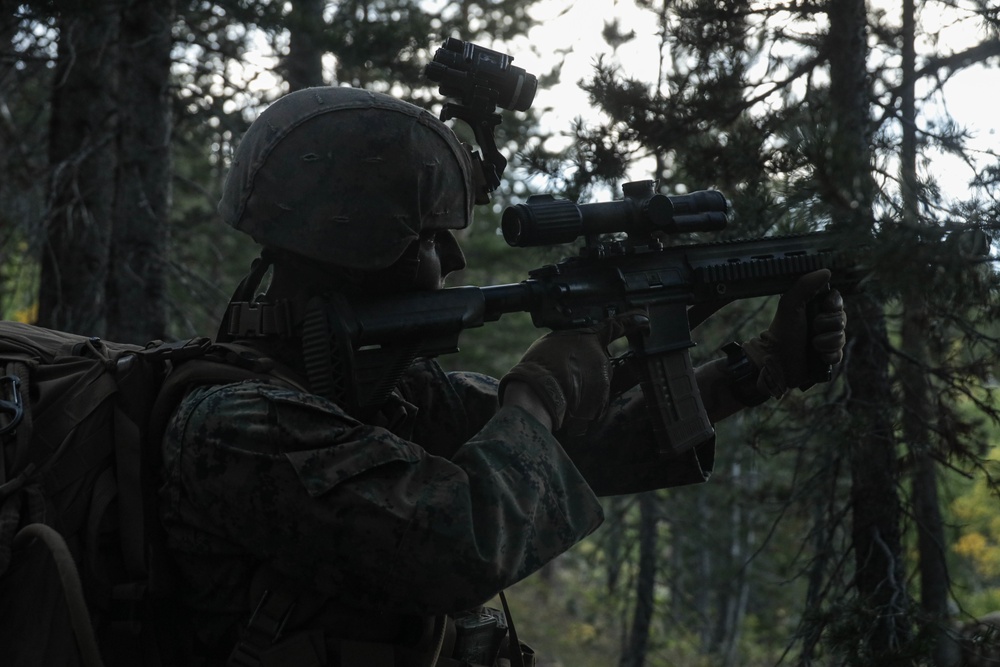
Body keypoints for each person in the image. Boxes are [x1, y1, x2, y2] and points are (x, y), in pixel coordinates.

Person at [158, 86, 847, 666]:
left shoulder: (383, 396)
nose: (453, 258)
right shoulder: (240, 429)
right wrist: (540, 394)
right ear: (356, 247)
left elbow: (574, 457)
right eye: (427, 238)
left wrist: (758, 368)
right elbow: (464, 548)